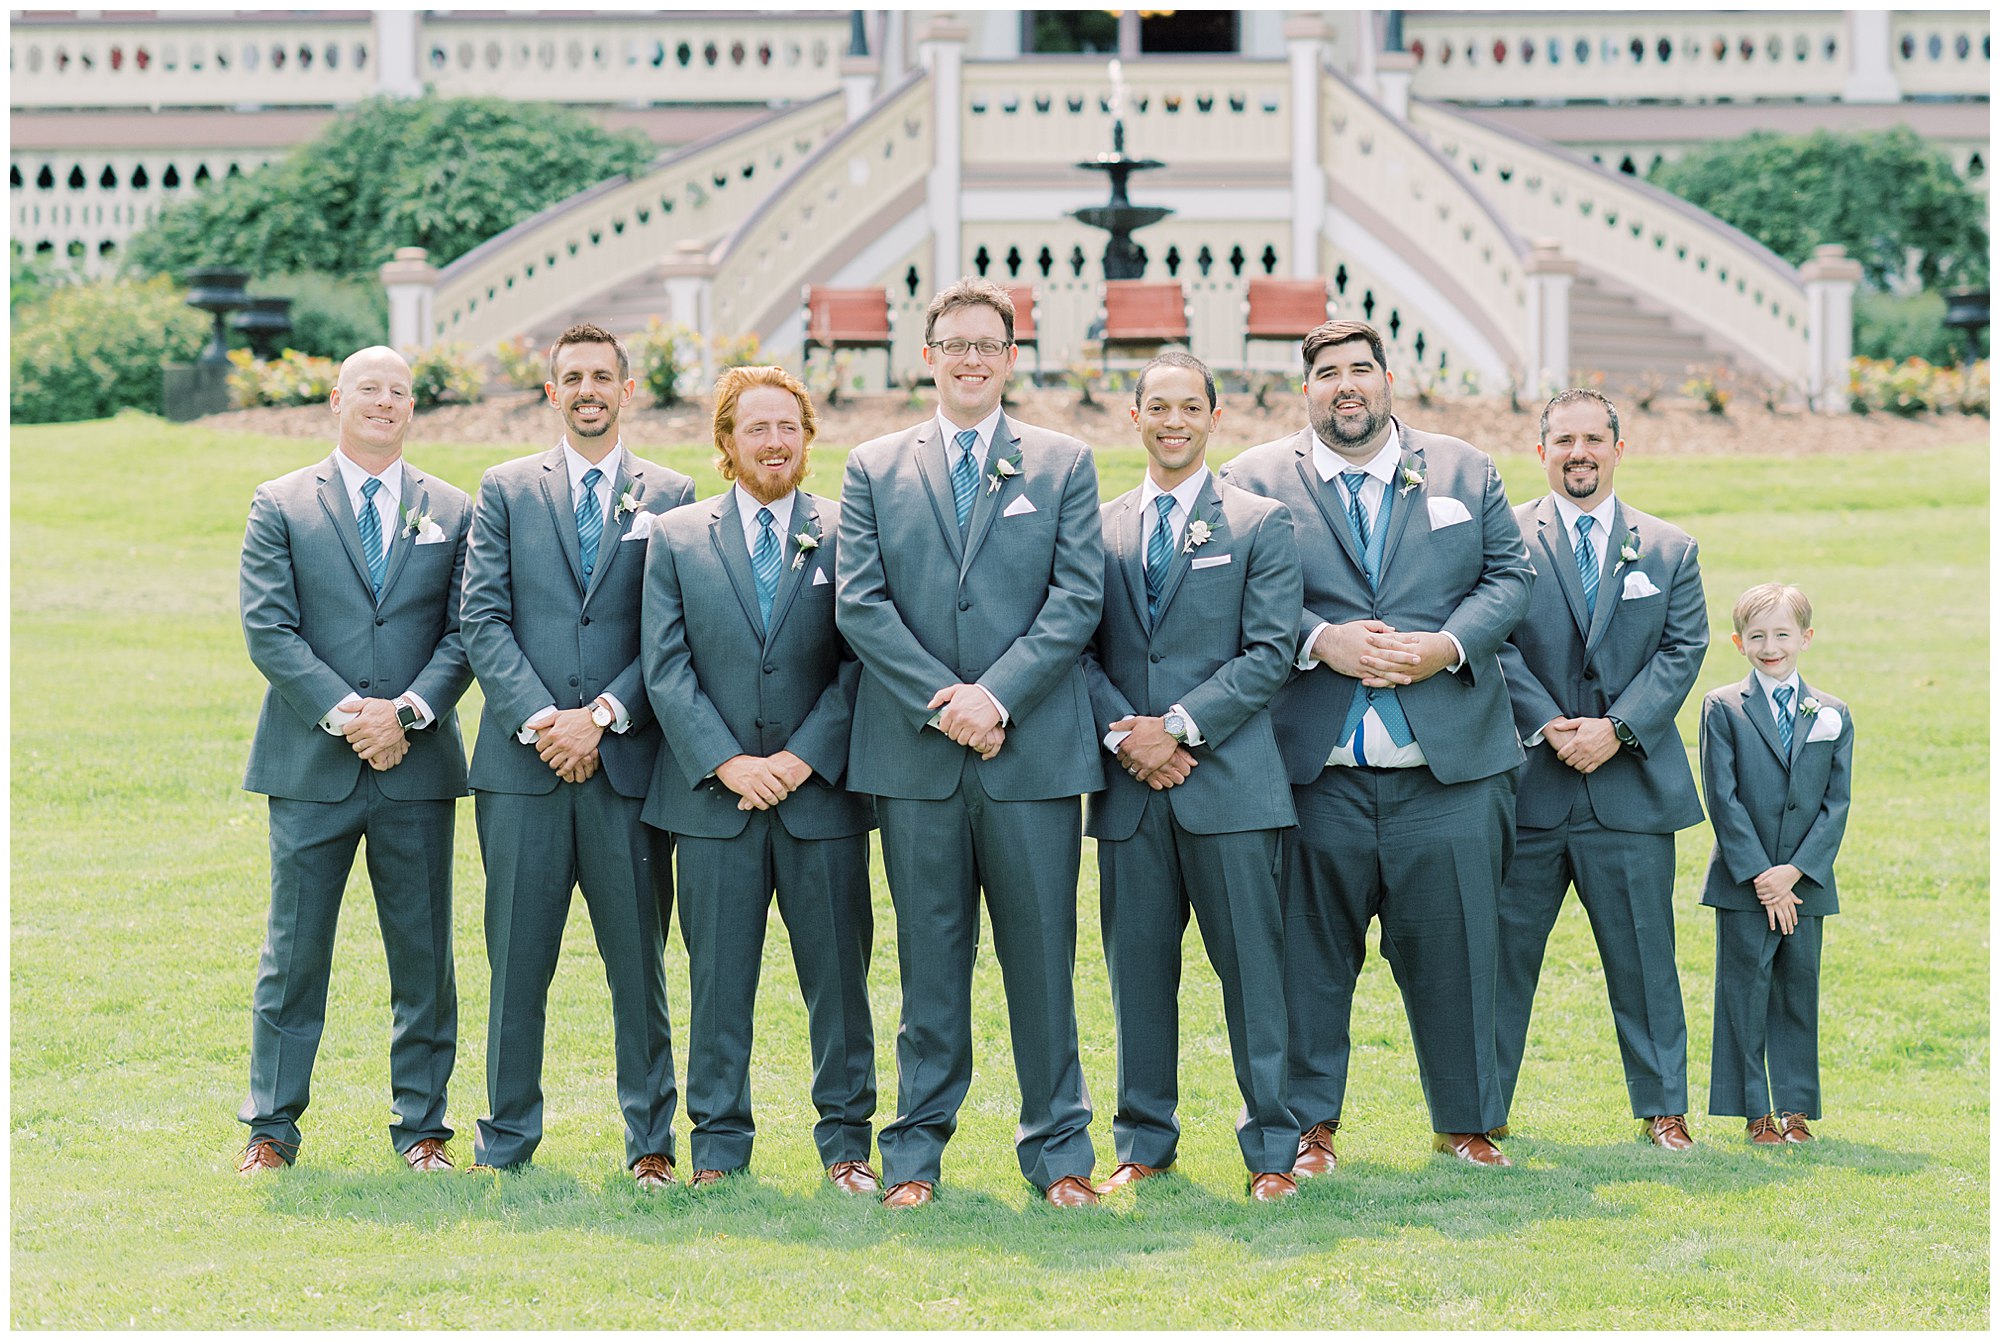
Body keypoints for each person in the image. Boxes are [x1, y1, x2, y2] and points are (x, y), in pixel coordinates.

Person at [1219, 319, 1532, 1169]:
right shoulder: (1250, 481)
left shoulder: (1465, 469)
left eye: (1362, 369)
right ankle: (1310, 1126)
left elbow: (1510, 575)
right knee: (1306, 961)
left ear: (1389, 380)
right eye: (1328, 373)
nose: (1346, 384)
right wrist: (1318, 640)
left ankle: (1467, 1121)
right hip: (1311, 772)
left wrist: (1446, 646)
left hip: (1450, 768)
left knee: (1463, 950)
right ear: (1307, 389)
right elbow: (1229, 599)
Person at [834, 277, 1105, 1208]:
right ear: (928, 354)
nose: (971, 358)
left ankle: (1060, 1155)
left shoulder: (1064, 462)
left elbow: (1077, 599)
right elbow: (859, 601)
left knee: (1042, 960)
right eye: (954, 343)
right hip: (915, 760)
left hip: (1029, 759)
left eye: (988, 343)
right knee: (928, 961)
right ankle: (913, 1155)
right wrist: (946, 700)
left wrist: (998, 697)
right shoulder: (872, 466)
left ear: (1011, 357)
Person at [461, 322, 694, 1183]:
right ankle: (508, 1139)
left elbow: (673, 632)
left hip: (627, 766)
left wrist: (600, 717)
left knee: (638, 962)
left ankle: (651, 1144)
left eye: (603, 376)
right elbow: (481, 618)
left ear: (628, 390)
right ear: (551, 392)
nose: (588, 389)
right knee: (517, 959)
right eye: (572, 377)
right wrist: (544, 722)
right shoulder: (506, 489)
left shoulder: (671, 494)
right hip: (521, 770)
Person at [640, 365, 879, 1193]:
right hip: (714, 803)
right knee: (717, 983)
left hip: (823, 801)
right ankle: (717, 1147)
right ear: (726, 444)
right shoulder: (676, 537)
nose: (774, 443)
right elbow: (665, 669)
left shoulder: (853, 531)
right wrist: (730, 761)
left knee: (840, 984)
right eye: (757, 429)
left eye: (789, 427)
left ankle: (848, 1144)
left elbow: (862, 665)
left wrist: (800, 758)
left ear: (809, 437)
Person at [235, 345, 472, 1175]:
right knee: (295, 952)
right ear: (338, 399)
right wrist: (352, 715)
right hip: (311, 765)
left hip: (418, 765)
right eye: (368, 388)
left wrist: (405, 712)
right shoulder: (282, 503)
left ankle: (423, 1130)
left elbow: (464, 630)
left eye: (398, 392)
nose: (384, 401)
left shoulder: (453, 508)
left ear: (412, 409)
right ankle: (271, 1125)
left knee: (423, 953)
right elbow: (271, 628)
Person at [1080, 352, 1305, 1203]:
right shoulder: (1097, 528)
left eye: (1189, 407)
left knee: (1253, 973)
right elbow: (1079, 648)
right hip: (1130, 797)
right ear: (1132, 418)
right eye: (1157, 406)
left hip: (1233, 789)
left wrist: (1174, 727)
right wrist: (1127, 734)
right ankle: (1144, 1140)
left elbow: (1269, 652)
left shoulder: (1259, 523)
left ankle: (1271, 1148)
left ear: (1215, 418)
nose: (1173, 420)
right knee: (1136, 973)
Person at [1492, 389, 1709, 1150]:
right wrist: (1550, 723)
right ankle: (1482, 1114)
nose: (1578, 451)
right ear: (1541, 450)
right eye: (1563, 440)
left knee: (1647, 955)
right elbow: (1494, 642)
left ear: (1620, 448)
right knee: (1502, 956)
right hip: (1529, 788)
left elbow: (1683, 650)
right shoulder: (1503, 540)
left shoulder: (1669, 548)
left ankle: (1664, 1110)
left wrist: (1617, 729)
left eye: (1593, 438)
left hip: (1630, 789)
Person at [1698, 583, 1853, 1145]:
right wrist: (1764, 875)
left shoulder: (1833, 713)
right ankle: (1754, 1112)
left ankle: (1795, 1110)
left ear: (1805, 639)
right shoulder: (1722, 707)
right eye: (1758, 636)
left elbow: (1837, 805)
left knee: (1797, 990)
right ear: (1739, 643)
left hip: (1806, 884)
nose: (1771, 646)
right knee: (1743, 991)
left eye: (1783, 635)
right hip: (1745, 881)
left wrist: (1795, 872)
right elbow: (1723, 796)